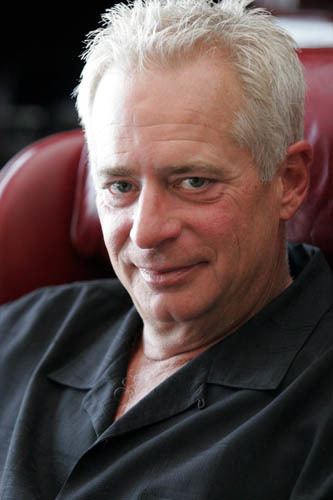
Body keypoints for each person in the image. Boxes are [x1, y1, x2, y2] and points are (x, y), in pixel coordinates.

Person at [1, 0, 333, 498]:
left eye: (193, 182)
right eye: (120, 186)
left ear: (287, 181)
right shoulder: (23, 333)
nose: (145, 232)